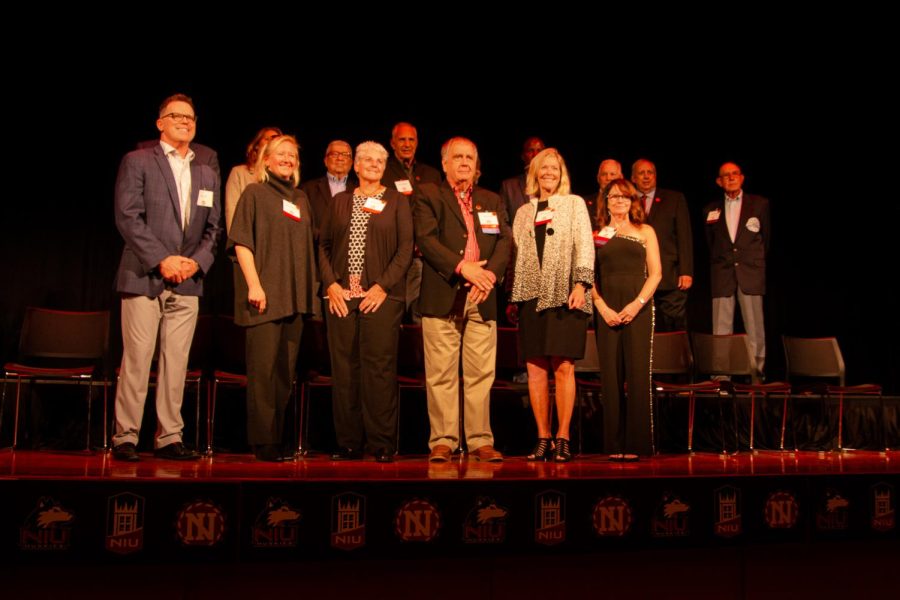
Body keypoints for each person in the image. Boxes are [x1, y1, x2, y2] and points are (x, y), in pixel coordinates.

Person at [112, 93, 221, 462]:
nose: (185, 122)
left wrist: (196, 262)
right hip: (144, 274)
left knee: (177, 361)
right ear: (160, 123)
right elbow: (128, 217)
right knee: (138, 358)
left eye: (191, 118)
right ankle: (126, 435)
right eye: (176, 116)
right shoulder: (138, 160)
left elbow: (214, 229)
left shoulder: (205, 171)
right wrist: (162, 260)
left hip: (188, 279)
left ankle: (169, 437)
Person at [414, 137, 511, 463]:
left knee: (481, 374)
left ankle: (480, 440)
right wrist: (463, 268)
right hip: (444, 290)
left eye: (470, 157)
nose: (465, 162)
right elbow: (425, 240)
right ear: (444, 163)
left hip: (482, 295)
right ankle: (442, 441)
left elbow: (504, 243)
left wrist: (490, 276)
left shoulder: (491, 199)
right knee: (441, 373)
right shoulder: (429, 194)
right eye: (458, 157)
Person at [318, 142, 413, 463]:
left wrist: (383, 287)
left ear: (385, 168)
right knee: (344, 369)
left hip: (381, 298)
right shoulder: (340, 202)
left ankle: (382, 442)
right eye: (366, 160)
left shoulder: (397, 201)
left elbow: (405, 249)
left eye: (379, 161)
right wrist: (330, 284)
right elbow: (323, 246)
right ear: (355, 167)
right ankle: (348, 442)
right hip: (342, 297)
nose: (373, 164)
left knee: (379, 369)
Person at [230, 135, 317, 462]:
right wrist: (254, 285)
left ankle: (276, 439)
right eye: (281, 154)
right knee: (263, 373)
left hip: (294, 298)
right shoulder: (254, 193)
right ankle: (263, 442)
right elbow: (241, 242)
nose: (288, 159)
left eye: (292, 155)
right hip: (265, 295)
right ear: (265, 160)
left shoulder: (301, 199)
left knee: (284, 373)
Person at [509, 149, 594, 462]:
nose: (548, 173)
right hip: (531, 295)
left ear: (562, 174)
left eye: (554, 168)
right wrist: (513, 296)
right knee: (534, 370)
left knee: (563, 366)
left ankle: (563, 437)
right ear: (534, 173)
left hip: (565, 293)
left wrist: (582, 284)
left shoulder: (574, 205)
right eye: (543, 168)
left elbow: (585, 244)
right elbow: (516, 258)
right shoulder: (523, 211)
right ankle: (543, 436)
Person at [592, 178, 661, 461]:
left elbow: (655, 273)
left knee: (637, 374)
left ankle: (637, 444)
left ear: (633, 201)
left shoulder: (645, 231)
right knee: (610, 376)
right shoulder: (598, 234)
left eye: (624, 197)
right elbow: (588, 276)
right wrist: (602, 307)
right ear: (605, 201)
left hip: (639, 309)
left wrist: (636, 304)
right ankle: (614, 445)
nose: (619, 201)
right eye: (613, 196)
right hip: (606, 309)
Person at [704, 162, 770, 376]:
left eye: (734, 174)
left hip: (750, 273)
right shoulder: (710, 210)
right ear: (719, 181)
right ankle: (721, 377)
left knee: (755, 328)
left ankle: (756, 375)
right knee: (721, 330)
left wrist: (752, 262)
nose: (731, 178)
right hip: (722, 274)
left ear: (742, 178)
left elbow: (766, 240)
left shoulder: (759, 204)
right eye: (726, 175)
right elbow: (711, 243)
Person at [631, 159, 693, 332]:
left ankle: (678, 359)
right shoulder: (626, 200)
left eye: (649, 172)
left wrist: (686, 271)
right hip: (637, 275)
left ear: (655, 176)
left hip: (670, 275)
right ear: (633, 178)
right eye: (641, 173)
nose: (646, 177)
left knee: (674, 324)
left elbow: (684, 236)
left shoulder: (674, 199)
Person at [224, 127, 282, 233]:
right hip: (246, 242)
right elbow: (232, 212)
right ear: (256, 146)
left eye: (276, 140)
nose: (272, 143)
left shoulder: (283, 179)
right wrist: (237, 245)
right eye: (268, 139)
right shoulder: (239, 173)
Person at [302, 139, 357, 227]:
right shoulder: (308, 189)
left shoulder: (360, 189)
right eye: (335, 154)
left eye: (346, 155)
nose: (340, 158)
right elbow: (303, 223)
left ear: (351, 163)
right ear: (325, 161)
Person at [499, 137, 545, 226]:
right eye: (530, 151)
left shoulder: (557, 184)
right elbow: (502, 220)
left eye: (539, 151)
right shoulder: (509, 187)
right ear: (523, 156)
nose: (535, 155)